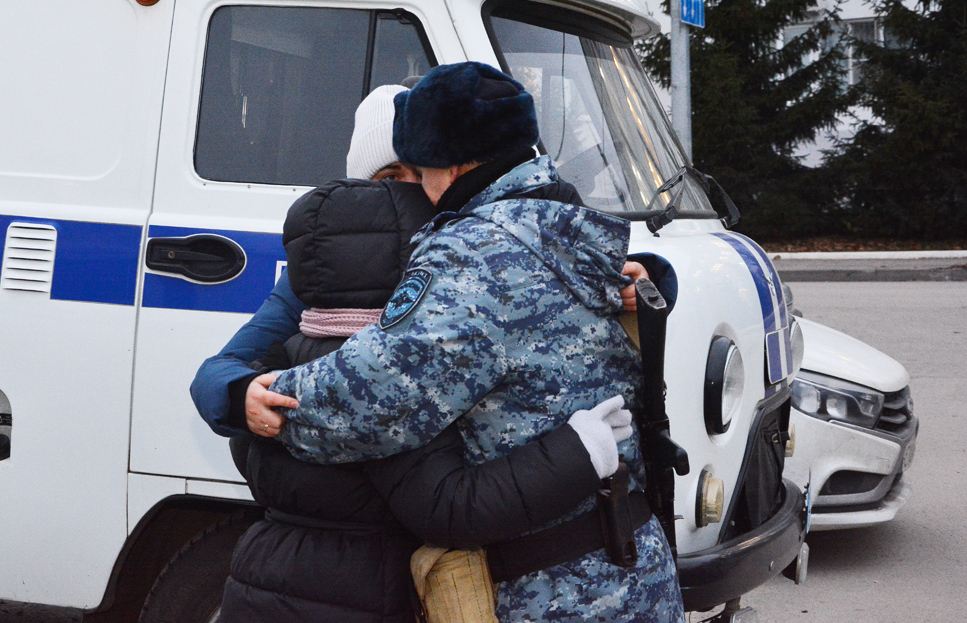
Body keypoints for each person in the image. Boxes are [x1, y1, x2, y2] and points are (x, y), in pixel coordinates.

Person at [257, 62, 685, 622]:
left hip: (559, 594)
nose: (421, 192)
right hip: (638, 575)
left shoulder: (474, 255)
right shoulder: (565, 221)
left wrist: (270, 401)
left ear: (451, 164)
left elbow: (375, 399)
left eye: (420, 171)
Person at [220, 177, 631, 623]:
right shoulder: (387, 378)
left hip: (260, 578)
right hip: (363, 595)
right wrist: (580, 451)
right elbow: (450, 508)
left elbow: (243, 445)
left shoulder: (280, 359)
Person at [189, 84, 645, 439]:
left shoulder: (477, 250)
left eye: (418, 172)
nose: (409, 189)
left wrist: (638, 281)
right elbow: (219, 367)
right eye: (390, 177)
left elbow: (575, 263)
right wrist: (239, 396)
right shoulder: (321, 274)